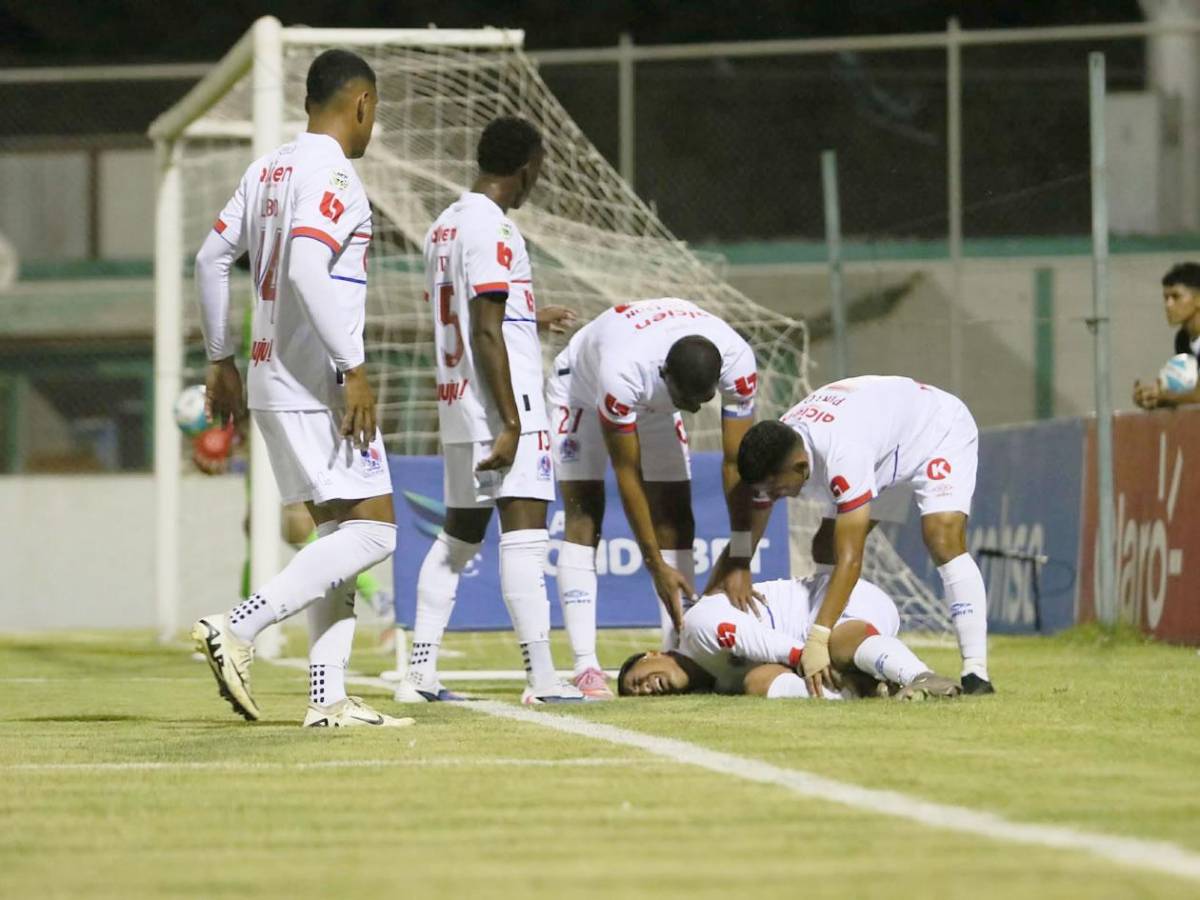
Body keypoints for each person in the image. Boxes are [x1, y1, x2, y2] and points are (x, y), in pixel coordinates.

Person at [190, 48, 412, 728]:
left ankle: (327, 698)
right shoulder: (336, 178)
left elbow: (209, 258)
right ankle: (237, 625)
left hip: (265, 377)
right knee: (377, 534)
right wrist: (354, 369)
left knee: (337, 538)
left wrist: (220, 358)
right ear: (362, 105)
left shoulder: (269, 168)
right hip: (317, 385)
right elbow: (312, 271)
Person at [395, 116, 584, 706]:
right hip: (502, 404)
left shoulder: (443, 225)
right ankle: (542, 679)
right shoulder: (493, 228)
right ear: (528, 166)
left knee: (457, 538)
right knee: (526, 537)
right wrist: (513, 422)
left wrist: (533, 317)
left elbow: (479, 312)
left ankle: (419, 672)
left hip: (456, 402)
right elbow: (483, 328)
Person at [722, 375, 994, 697]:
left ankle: (976, 672)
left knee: (941, 539)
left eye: (779, 488)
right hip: (883, 445)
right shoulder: (779, 444)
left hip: (934, 431)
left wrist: (817, 639)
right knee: (824, 546)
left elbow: (851, 559)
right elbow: (754, 508)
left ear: (799, 467)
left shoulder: (842, 454)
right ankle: (846, 642)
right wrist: (739, 562)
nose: (775, 497)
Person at [543, 298, 759, 696]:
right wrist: (654, 563)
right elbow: (628, 473)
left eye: (702, 400)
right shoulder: (623, 373)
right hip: (580, 388)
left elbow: (737, 464)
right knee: (584, 513)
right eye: (687, 400)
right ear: (665, 375)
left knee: (677, 518)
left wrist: (741, 554)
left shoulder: (738, 360)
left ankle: (680, 649)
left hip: (655, 402)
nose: (694, 410)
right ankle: (585, 665)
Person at [617, 575, 960, 700]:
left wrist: (805, 659)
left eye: (636, 680)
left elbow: (770, 644)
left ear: (652, 653)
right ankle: (870, 692)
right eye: (639, 694)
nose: (644, 689)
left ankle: (920, 677)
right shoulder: (718, 684)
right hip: (813, 638)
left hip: (838, 599)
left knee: (836, 647)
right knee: (756, 682)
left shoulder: (697, 627)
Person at [1133, 262, 1200, 410]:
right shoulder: (1183, 339)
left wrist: (1162, 396)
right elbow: (1189, 392)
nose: (1168, 304)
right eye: (1166, 298)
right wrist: (1150, 396)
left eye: (1176, 297)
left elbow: (1198, 396)